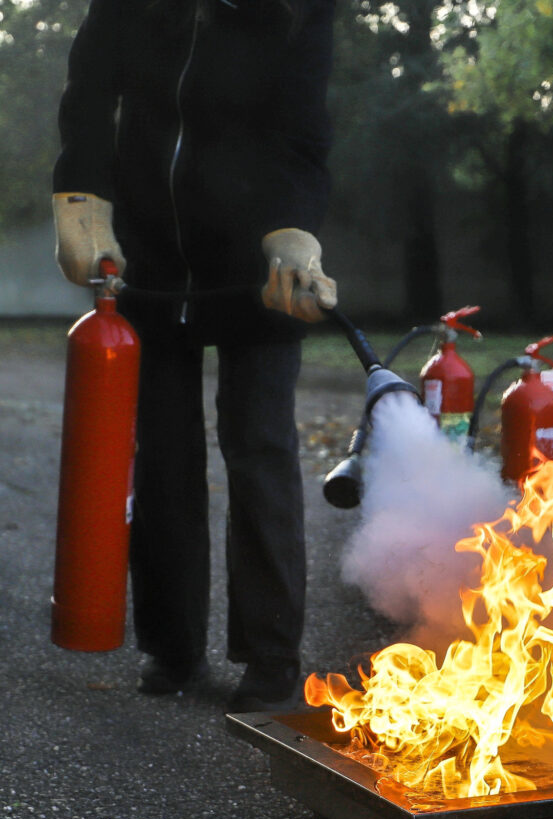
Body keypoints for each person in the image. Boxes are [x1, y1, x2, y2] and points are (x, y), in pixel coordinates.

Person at [52, 0, 338, 712]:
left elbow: (301, 134)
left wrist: (295, 232)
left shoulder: (300, 13)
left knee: (259, 445)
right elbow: (87, 97)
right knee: (163, 456)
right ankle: (173, 649)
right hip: (147, 261)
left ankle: (271, 656)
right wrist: (80, 203)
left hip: (257, 266)